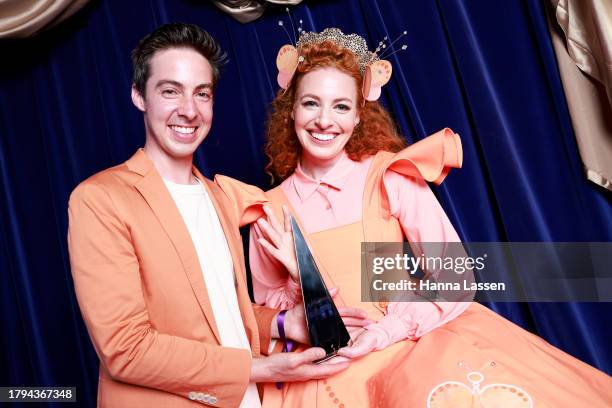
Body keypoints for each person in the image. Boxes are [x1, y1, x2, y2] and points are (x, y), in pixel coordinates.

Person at [217, 28, 612, 407]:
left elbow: (457, 277)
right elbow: (271, 323)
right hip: (331, 368)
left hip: (410, 343)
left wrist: (386, 331)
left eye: (341, 106)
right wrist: (303, 279)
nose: (325, 120)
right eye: (310, 103)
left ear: (358, 117)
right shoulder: (267, 208)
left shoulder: (389, 176)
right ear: (290, 111)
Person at [67, 23, 372, 408]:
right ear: (139, 95)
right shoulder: (101, 199)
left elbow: (220, 316)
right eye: (170, 91)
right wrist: (262, 369)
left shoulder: (221, 197)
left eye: (202, 94)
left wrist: (281, 323)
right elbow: (126, 349)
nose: (189, 110)